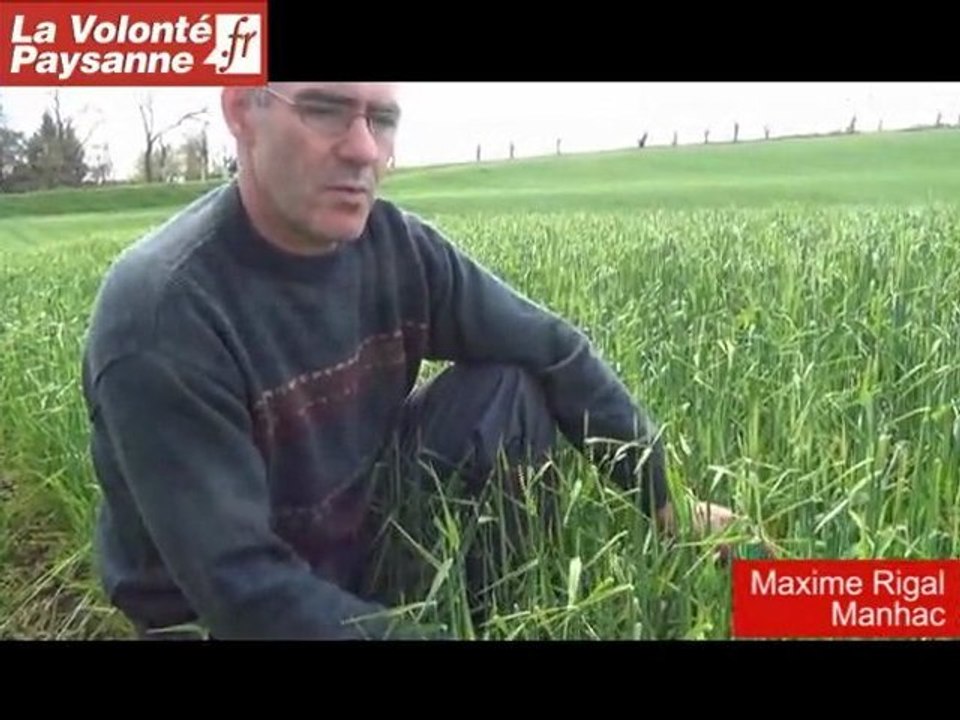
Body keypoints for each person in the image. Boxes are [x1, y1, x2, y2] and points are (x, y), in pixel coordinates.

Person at [81, 82, 736, 641]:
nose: (364, 148)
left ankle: (501, 614)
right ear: (242, 111)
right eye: (325, 109)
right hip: (225, 618)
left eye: (382, 119)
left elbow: (552, 347)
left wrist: (663, 497)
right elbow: (241, 591)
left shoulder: (396, 249)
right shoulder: (164, 312)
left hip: (357, 547)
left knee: (510, 386)